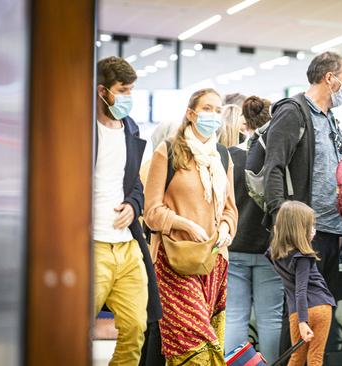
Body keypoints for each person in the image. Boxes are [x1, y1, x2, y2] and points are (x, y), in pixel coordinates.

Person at [144, 88, 238, 365]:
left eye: (217, 109)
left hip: (214, 260)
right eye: (207, 108)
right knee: (193, 341)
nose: (213, 115)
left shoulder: (222, 155)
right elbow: (151, 211)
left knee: (208, 336)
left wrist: (225, 228)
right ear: (190, 113)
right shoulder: (169, 151)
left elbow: (231, 208)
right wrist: (183, 223)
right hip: (175, 259)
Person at [263, 51, 342, 298]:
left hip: (332, 230)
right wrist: (282, 219)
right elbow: (275, 166)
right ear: (330, 78)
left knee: (323, 309)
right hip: (304, 231)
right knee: (300, 312)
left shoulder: (330, 118)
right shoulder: (293, 111)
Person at [93, 56, 160, 365]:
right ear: (102, 91)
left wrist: (134, 206)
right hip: (90, 246)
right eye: (122, 90)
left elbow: (135, 184)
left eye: (132, 90)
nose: (128, 97)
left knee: (135, 328)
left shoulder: (130, 128)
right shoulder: (81, 130)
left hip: (127, 245)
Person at [224, 96, 284, 362]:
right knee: (270, 317)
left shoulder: (229, 157)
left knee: (235, 316)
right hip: (269, 248)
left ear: (244, 123)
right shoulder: (277, 158)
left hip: (234, 245)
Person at [266, 201, 336, 366]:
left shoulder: (274, 254)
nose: (313, 230)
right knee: (315, 358)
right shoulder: (303, 257)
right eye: (310, 225)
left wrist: (300, 319)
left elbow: (292, 284)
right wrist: (303, 322)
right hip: (318, 307)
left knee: (296, 357)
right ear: (299, 229)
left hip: (295, 312)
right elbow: (301, 289)